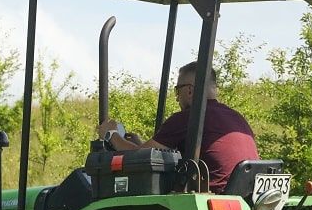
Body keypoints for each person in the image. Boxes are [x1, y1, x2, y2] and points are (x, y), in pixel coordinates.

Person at [97, 60, 258, 192]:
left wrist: (111, 135)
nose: (176, 98)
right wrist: (141, 145)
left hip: (215, 193)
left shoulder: (189, 117)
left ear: (189, 90)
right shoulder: (236, 117)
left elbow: (137, 156)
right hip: (247, 194)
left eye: (177, 90)